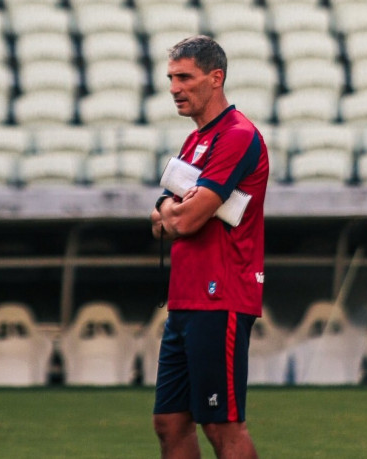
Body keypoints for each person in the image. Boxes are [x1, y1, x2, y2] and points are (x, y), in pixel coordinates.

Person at [150, 35, 269, 459]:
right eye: (171, 78)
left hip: (220, 296)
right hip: (186, 298)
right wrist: (173, 212)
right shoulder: (193, 142)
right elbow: (160, 222)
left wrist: (173, 211)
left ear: (215, 78)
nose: (174, 88)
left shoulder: (237, 135)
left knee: (221, 424)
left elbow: (183, 218)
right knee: (170, 423)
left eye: (185, 77)